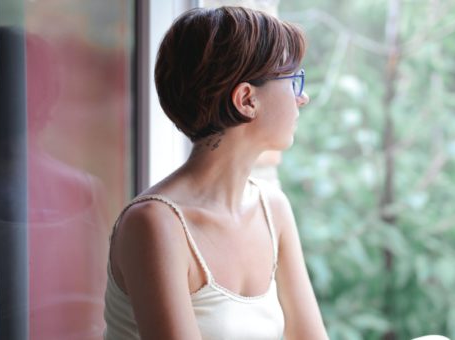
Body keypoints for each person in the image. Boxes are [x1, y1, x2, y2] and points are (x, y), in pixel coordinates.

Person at [103, 6, 329, 340]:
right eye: (293, 80)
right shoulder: (154, 224)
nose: (303, 97)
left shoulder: (272, 208)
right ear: (247, 99)